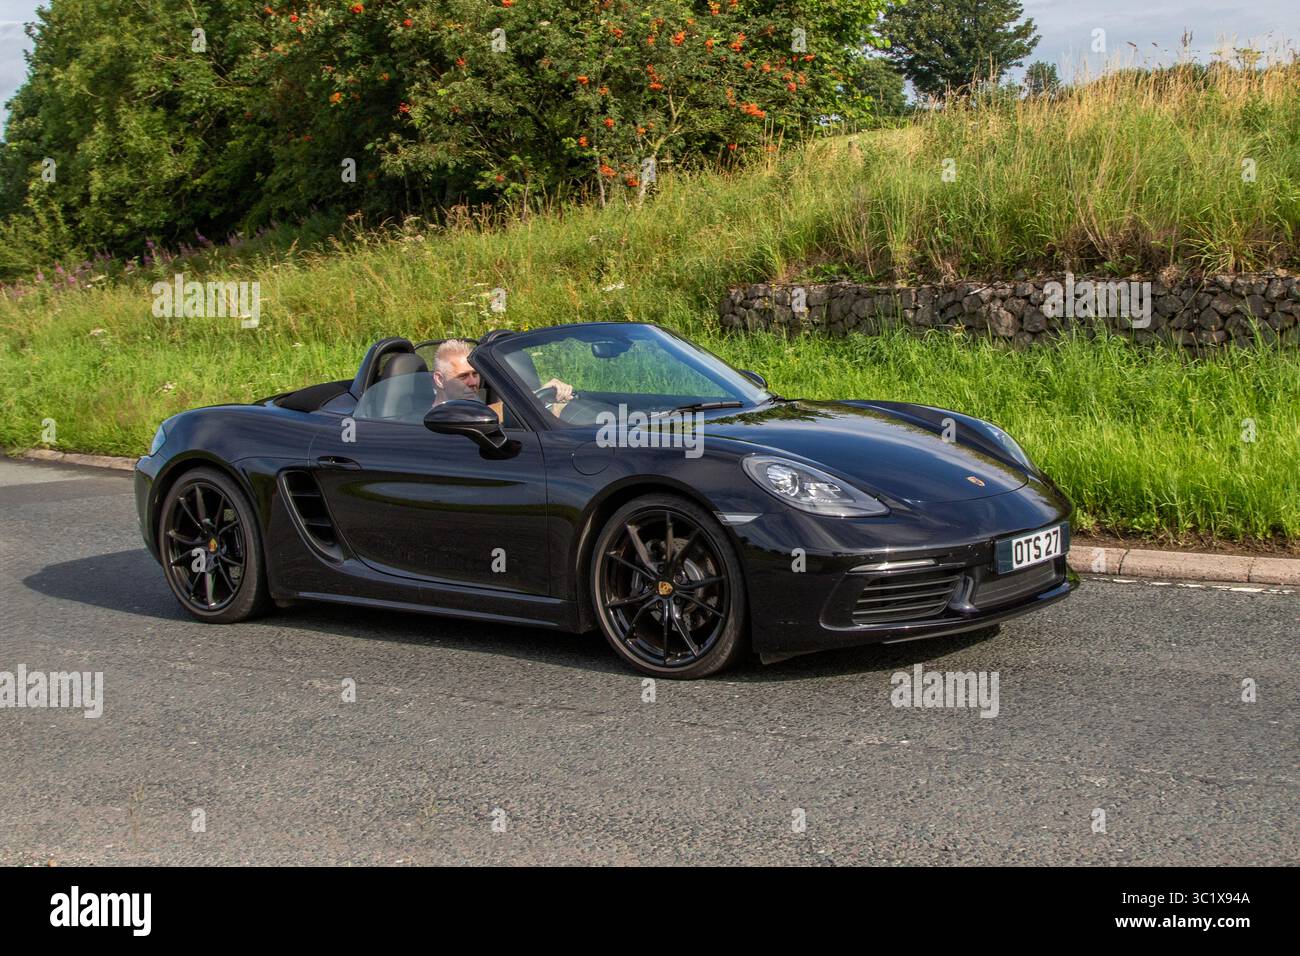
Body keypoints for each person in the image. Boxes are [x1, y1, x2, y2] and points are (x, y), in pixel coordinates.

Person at [431, 339, 573, 417]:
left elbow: (491, 411)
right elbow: (485, 416)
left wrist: (550, 403)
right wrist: (535, 397)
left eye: (475, 374)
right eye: (463, 376)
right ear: (439, 380)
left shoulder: (470, 403)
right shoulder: (438, 417)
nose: (473, 382)